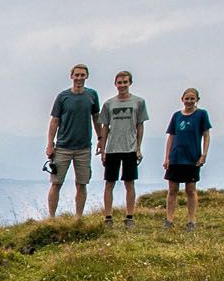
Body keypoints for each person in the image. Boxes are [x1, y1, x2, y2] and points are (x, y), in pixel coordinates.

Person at [46, 64, 102, 218]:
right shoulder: (63, 97)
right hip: (63, 146)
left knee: (82, 183)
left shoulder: (92, 96)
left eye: (82, 75)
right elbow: (54, 121)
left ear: (86, 76)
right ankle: (51, 217)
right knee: (56, 183)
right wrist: (50, 144)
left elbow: (96, 117)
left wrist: (101, 138)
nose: (79, 78)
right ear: (71, 76)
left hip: (84, 148)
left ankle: (78, 217)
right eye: (76, 75)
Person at [97, 69, 149, 227]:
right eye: (119, 82)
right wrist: (103, 148)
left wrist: (138, 148)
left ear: (130, 83)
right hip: (112, 148)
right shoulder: (109, 104)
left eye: (125, 82)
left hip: (130, 148)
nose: (122, 85)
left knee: (129, 182)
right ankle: (108, 217)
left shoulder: (138, 102)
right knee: (109, 182)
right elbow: (105, 126)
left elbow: (140, 126)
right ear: (115, 84)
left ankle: (130, 216)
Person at [163, 88, 211, 231]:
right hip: (176, 157)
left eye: (192, 99)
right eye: (187, 98)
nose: (189, 101)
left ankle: (191, 220)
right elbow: (171, 136)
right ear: (182, 99)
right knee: (172, 190)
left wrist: (204, 155)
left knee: (191, 190)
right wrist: (167, 157)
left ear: (197, 100)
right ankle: (169, 219)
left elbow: (206, 135)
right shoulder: (176, 116)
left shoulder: (201, 115)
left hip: (192, 158)